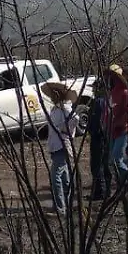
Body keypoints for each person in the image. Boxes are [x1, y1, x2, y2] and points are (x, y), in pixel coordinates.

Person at [41, 82, 79, 216]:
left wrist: (65, 130)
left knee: (55, 176)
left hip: (62, 146)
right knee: (64, 177)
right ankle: (68, 205)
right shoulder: (55, 109)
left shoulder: (66, 109)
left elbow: (75, 120)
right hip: (55, 146)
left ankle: (60, 208)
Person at [104, 64, 128, 186]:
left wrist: (119, 124)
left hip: (122, 130)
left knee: (116, 159)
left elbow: (127, 113)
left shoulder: (124, 93)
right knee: (115, 159)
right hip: (111, 130)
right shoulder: (112, 92)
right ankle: (123, 182)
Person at [87, 79, 111, 201]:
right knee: (103, 164)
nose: (93, 90)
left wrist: (92, 131)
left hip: (98, 137)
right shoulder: (107, 101)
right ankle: (104, 190)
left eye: (95, 88)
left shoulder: (98, 102)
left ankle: (100, 192)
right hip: (105, 136)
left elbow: (96, 122)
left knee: (97, 165)